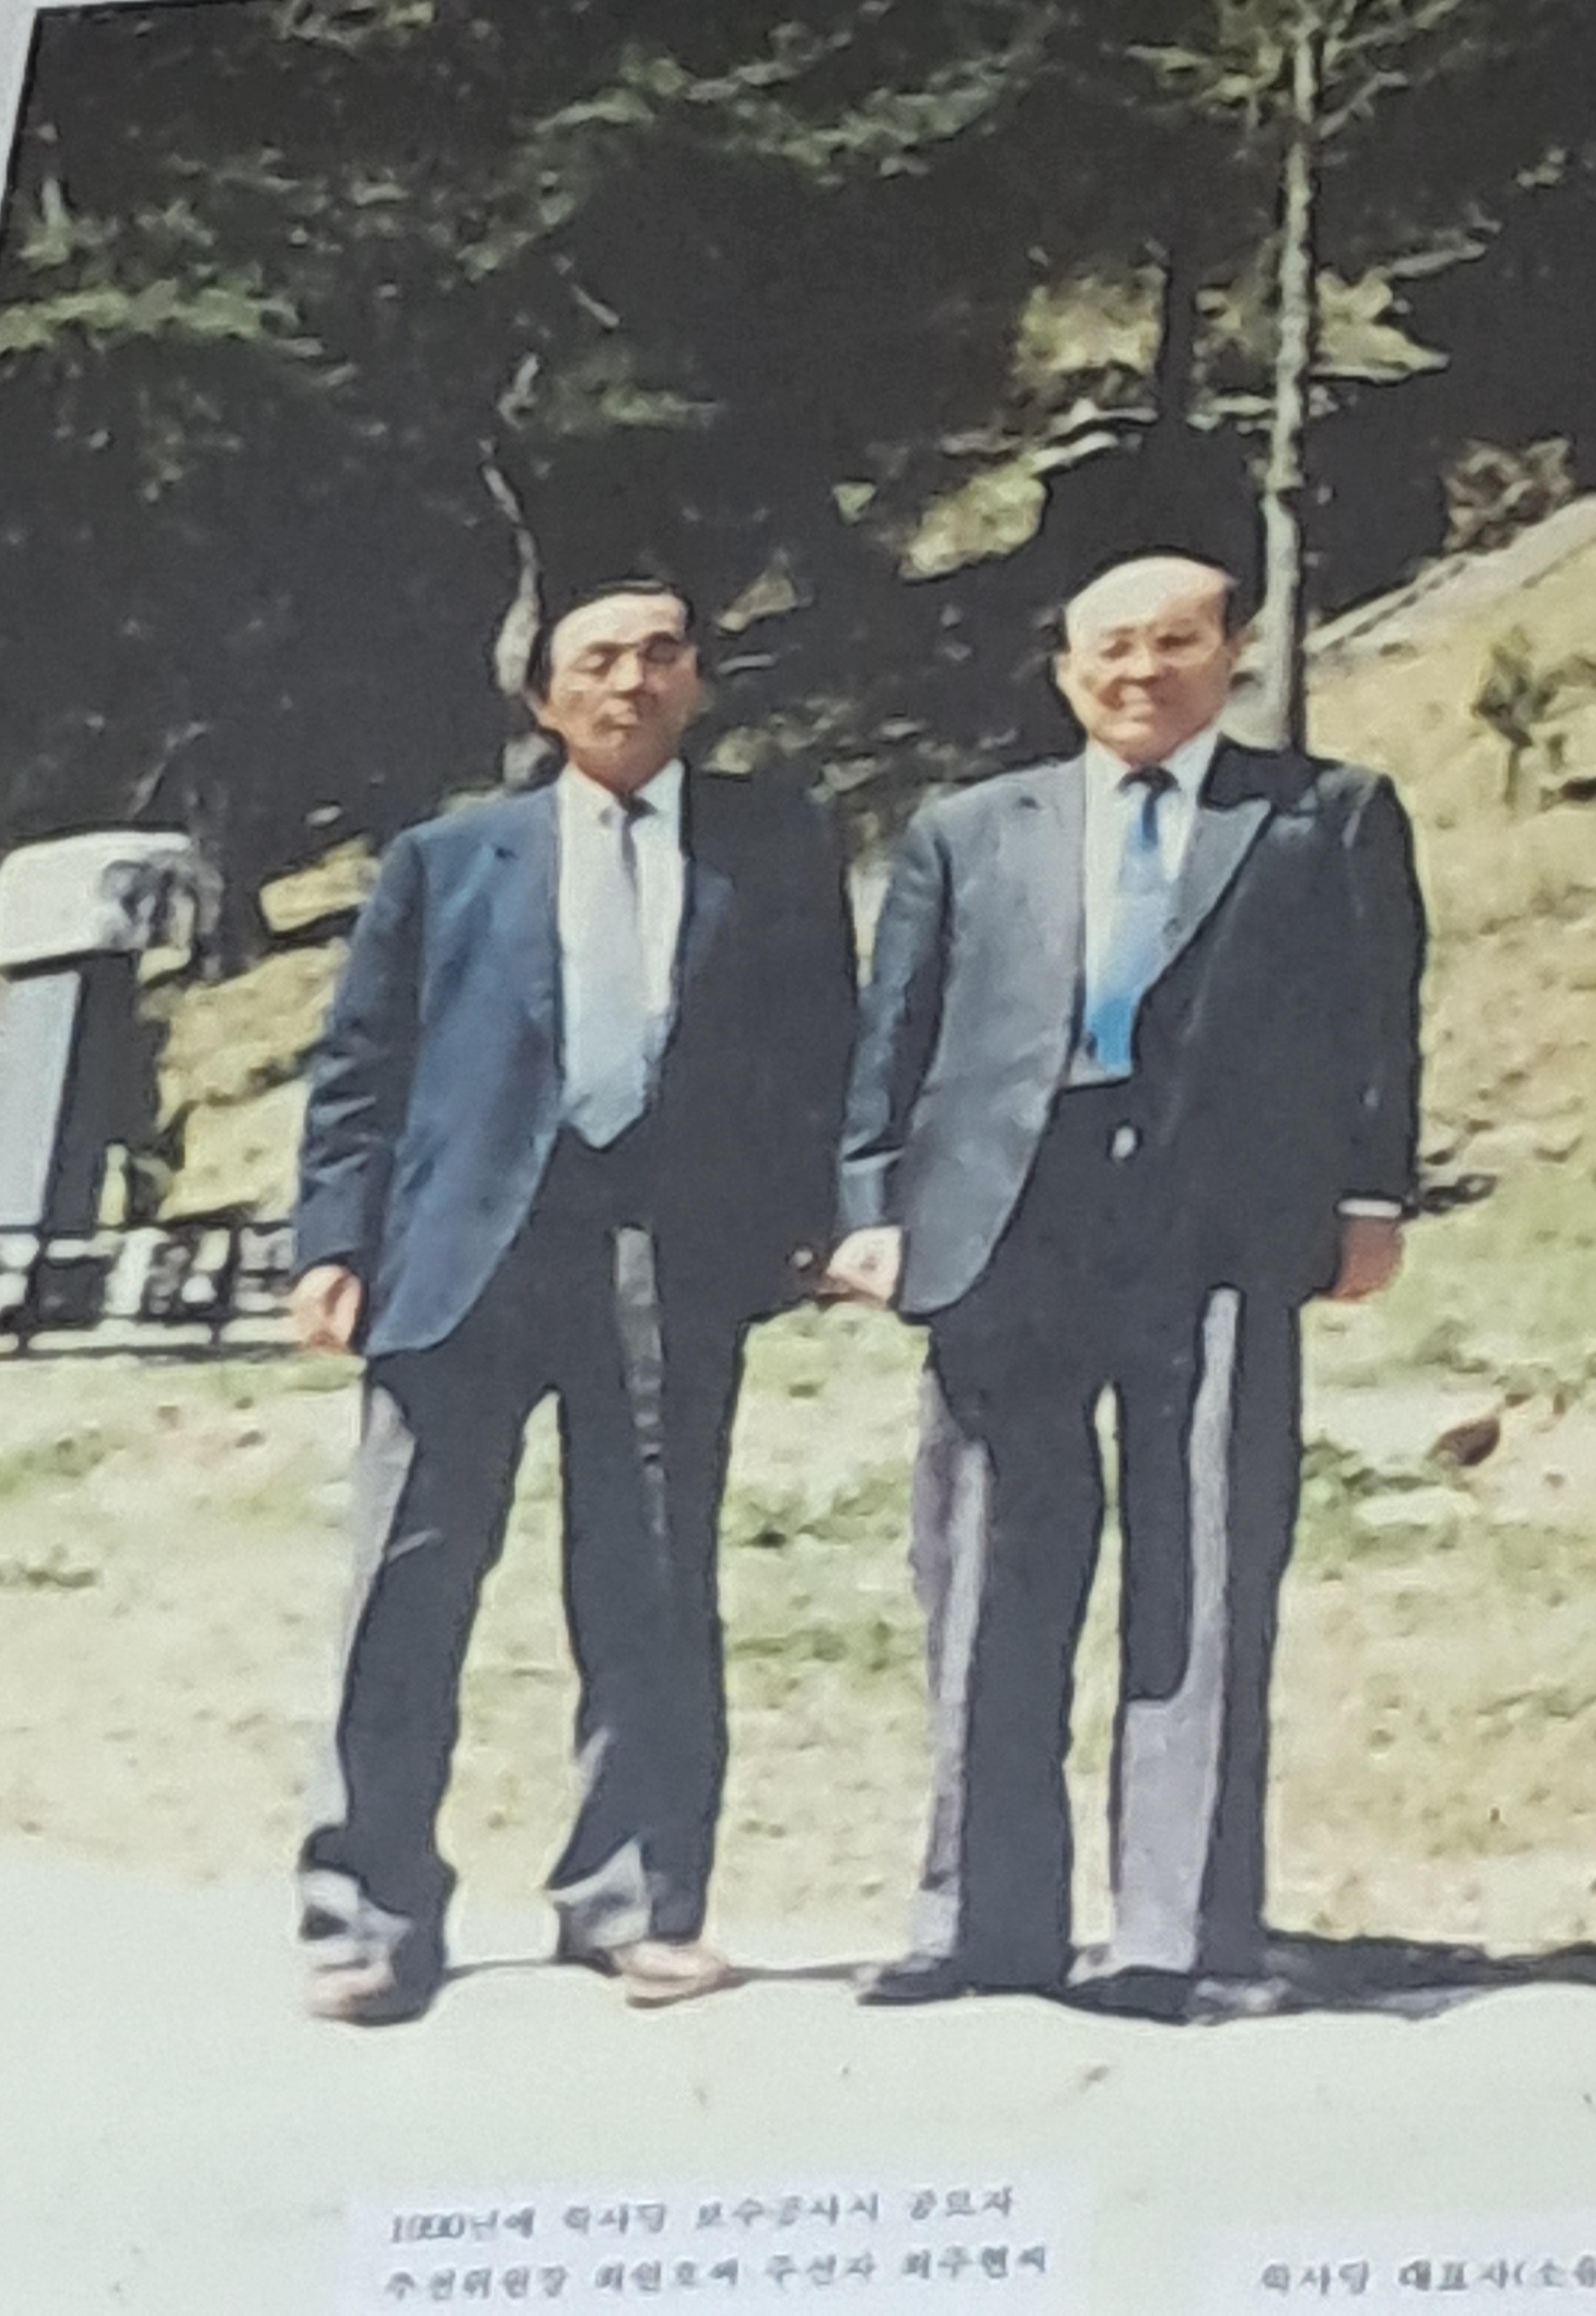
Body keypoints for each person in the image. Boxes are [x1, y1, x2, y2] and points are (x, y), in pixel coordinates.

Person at [826, 550, 1426, 2014]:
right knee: (986, 1572)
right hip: (1007, 1225)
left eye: (1174, 643)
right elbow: (895, 1036)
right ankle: (982, 1925)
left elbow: (1376, 1021)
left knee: (1206, 1565)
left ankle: (1180, 1936)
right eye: (1111, 647)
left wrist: (1371, 1197)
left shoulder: (1325, 814)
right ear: (1065, 667)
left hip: (1218, 1228)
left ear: (1232, 654)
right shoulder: (972, 827)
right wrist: (872, 1208)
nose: (1140, 672)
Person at [289, 578, 856, 2023]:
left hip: (672, 1251)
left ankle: (636, 1903)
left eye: (662, 655)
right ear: (545, 700)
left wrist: (819, 1220)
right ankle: (369, 1915)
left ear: (699, 683)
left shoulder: (772, 850)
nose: (631, 683)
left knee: (652, 1582)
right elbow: (360, 1065)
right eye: (597, 661)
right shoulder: (447, 858)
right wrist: (332, 1242)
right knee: (408, 1586)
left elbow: (823, 1048)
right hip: (461, 1260)